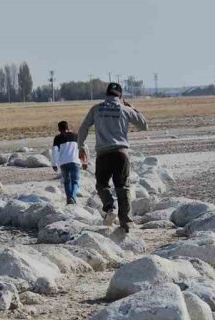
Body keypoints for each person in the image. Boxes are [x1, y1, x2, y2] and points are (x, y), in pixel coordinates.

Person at [76, 82, 148, 232]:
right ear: (120, 96)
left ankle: (110, 207)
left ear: (106, 95)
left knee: (102, 184)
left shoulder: (96, 109)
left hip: (103, 154)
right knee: (122, 187)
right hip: (121, 153)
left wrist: (80, 146)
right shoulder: (125, 109)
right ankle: (126, 222)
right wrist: (132, 108)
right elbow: (144, 125)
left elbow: (83, 127)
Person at [50, 120, 81, 205]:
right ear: (68, 127)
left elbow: (54, 151)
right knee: (75, 181)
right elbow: (83, 148)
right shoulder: (76, 136)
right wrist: (85, 161)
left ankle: (68, 199)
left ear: (59, 129)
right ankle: (73, 197)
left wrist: (54, 164)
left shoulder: (57, 138)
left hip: (63, 163)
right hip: (75, 161)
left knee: (67, 181)